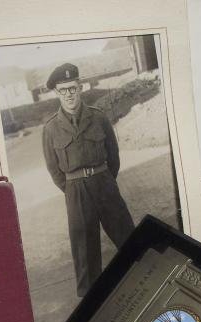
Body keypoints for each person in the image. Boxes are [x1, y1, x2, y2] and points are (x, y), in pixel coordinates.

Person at [42, 62, 135, 297]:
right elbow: (54, 170)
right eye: (63, 90)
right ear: (56, 93)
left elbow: (113, 156)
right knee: (84, 250)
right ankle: (90, 299)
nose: (69, 94)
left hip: (104, 183)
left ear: (80, 87)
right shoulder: (51, 128)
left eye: (72, 88)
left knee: (127, 236)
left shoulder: (98, 118)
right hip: (76, 190)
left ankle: (146, 275)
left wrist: (103, 180)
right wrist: (74, 188)